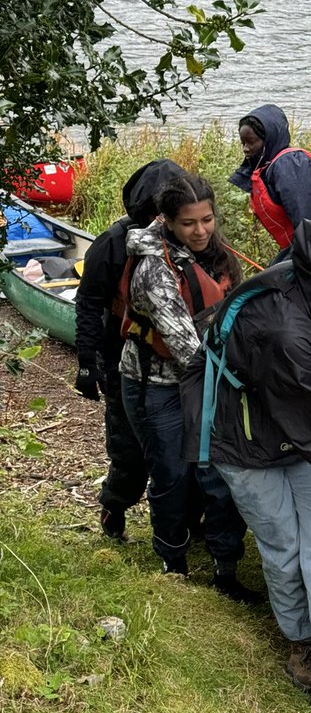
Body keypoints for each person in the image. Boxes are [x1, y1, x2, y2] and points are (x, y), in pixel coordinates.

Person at [181, 213, 311, 713]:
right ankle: (300, 647)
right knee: (284, 544)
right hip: (243, 434)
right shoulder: (284, 328)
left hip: (303, 422)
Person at [118, 172, 256, 601]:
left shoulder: (216, 255)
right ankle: (173, 562)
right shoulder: (153, 272)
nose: (200, 231)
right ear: (167, 222)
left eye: (207, 220)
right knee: (173, 475)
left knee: (222, 473)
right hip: (157, 384)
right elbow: (187, 348)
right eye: (188, 224)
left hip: (212, 378)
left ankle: (225, 569)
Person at [74, 159, 184, 540]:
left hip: (176, 363)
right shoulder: (110, 245)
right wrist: (87, 363)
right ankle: (114, 507)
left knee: (181, 445)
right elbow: (88, 304)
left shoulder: (187, 239)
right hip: (122, 361)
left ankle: (184, 519)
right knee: (129, 447)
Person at [229, 104, 311, 257]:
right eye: (243, 143)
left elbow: (307, 223)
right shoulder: (268, 165)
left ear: (269, 139)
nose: (245, 149)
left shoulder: (288, 164)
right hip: (308, 244)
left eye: (251, 142)